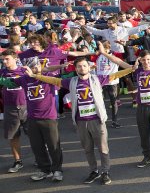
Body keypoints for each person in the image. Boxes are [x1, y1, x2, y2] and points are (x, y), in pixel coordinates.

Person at [28, 55, 134, 185]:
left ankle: (105, 172)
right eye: (79, 66)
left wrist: (131, 69)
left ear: (89, 67)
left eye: (84, 65)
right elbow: (53, 80)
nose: (82, 68)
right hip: (81, 122)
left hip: (97, 121)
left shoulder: (97, 79)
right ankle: (93, 171)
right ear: (76, 68)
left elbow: (116, 75)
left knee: (103, 148)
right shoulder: (71, 81)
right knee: (88, 149)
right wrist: (36, 76)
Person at [0, 58, 64, 182]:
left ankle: (57, 170)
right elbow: (9, 82)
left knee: (53, 145)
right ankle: (44, 169)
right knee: (37, 146)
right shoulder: (24, 79)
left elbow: (61, 79)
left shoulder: (48, 76)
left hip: (49, 117)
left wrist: (35, 75)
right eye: (33, 67)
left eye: (37, 66)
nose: (36, 68)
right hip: (32, 118)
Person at [1, 50, 27, 173]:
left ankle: (41, 159)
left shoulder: (24, 71)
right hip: (10, 108)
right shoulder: (2, 73)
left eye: (7, 59)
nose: (5, 62)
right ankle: (18, 161)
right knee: (13, 136)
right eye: (3, 59)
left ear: (15, 58)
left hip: (27, 106)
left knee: (34, 135)